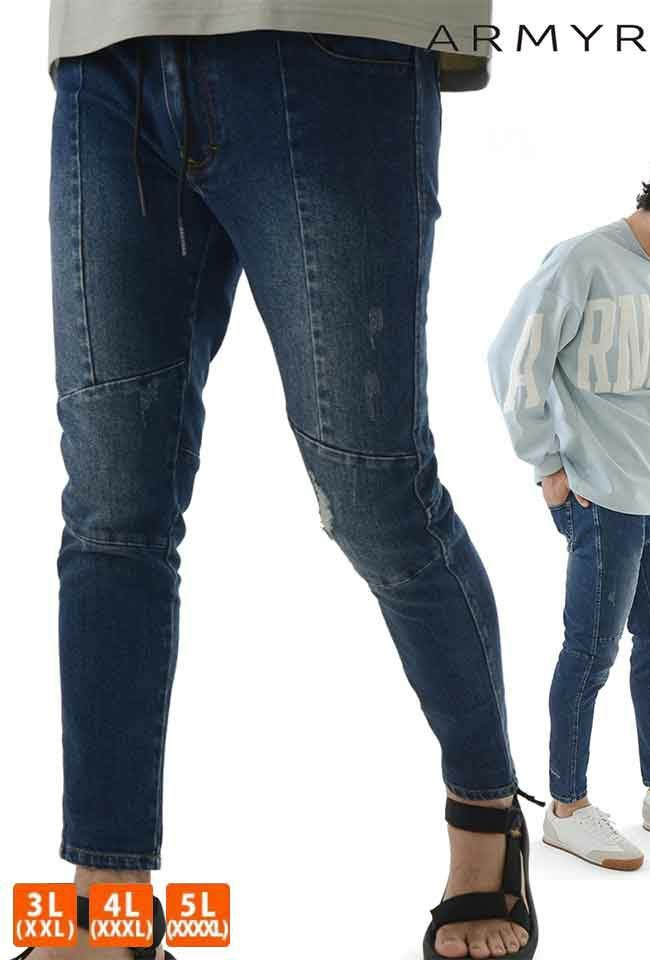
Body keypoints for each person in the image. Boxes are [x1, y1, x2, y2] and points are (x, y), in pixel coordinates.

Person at [15, 4, 546, 960]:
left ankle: (486, 810)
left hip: (333, 36)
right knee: (109, 510)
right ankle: (109, 909)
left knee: (376, 493)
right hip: (107, 46)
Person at [487, 138, 650, 872]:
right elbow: (512, 358)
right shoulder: (582, 260)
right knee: (590, 654)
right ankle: (567, 809)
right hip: (601, 499)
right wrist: (547, 466)